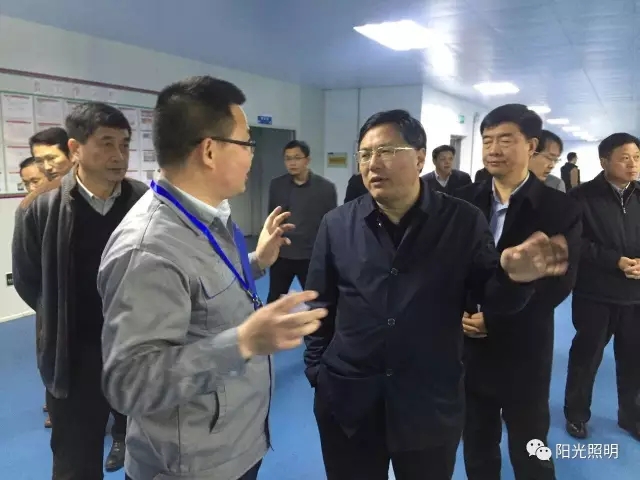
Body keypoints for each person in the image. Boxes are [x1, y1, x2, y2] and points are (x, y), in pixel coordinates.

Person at [303, 109, 570, 480]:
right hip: (349, 402)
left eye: (386, 151)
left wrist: (513, 278)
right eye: (364, 154)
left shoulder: (463, 221)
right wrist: (317, 371)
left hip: (428, 404)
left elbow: (492, 299)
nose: (372, 164)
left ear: (419, 157)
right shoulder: (337, 224)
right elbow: (319, 303)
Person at [97, 76, 327, 480]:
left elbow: (204, 286)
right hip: (189, 465)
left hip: (234, 441)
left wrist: (258, 261)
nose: (252, 155)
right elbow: (128, 383)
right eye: (246, 143)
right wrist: (243, 342)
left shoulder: (208, 215)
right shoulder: (148, 249)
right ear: (209, 150)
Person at [12, 102, 148, 479]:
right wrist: (59, 315)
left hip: (137, 348)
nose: (118, 155)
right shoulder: (40, 208)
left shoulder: (144, 202)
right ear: (75, 149)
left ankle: (122, 438)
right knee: (75, 463)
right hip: (73, 357)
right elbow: (28, 281)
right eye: (106, 143)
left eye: (124, 144)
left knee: (152, 453)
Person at [454, 104, 582, 479]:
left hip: (524, 346)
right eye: (487, 140)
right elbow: (446, 267)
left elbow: (560, 283)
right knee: (476, 441)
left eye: (506, 140)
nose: (494, 149)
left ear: (531, 145)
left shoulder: (559, 208)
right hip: (468, 346)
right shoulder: (462, 202)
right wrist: (459, 312)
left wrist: (494, 319)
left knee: (530, 443)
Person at [564, 132, 640, 441]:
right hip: (595, 293)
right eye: (625, 158)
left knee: (634, 359)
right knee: (587, 356)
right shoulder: (581, 197)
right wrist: (615, 261)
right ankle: (576, 414)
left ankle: (631, 416)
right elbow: (574, 242)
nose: (632, 164)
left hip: (635, 296)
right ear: (604, 161)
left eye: (637, 158)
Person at [266, 140, 337, 302]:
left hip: (311, 256)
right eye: (288, 158)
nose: (292, 163)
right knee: (274, 299)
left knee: (317, 301)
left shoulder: (325, 188)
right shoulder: (277, 185)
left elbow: (331, 224)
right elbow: (271, 218)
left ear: (307, 160)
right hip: (282, 254)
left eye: (297, 158)